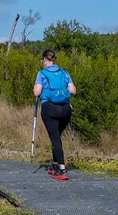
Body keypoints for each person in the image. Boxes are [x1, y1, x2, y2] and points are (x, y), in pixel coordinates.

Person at [33, 49, 77, 180]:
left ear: (45, 60)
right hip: (65, 109)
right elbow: (73, 90)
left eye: (42, 61)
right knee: (56, 136)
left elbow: (37, 92)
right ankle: (56, 163)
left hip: (50, 109)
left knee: (55, 138)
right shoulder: (64, 72)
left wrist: (36, 89)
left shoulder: (42, 73)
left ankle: (61, 169)